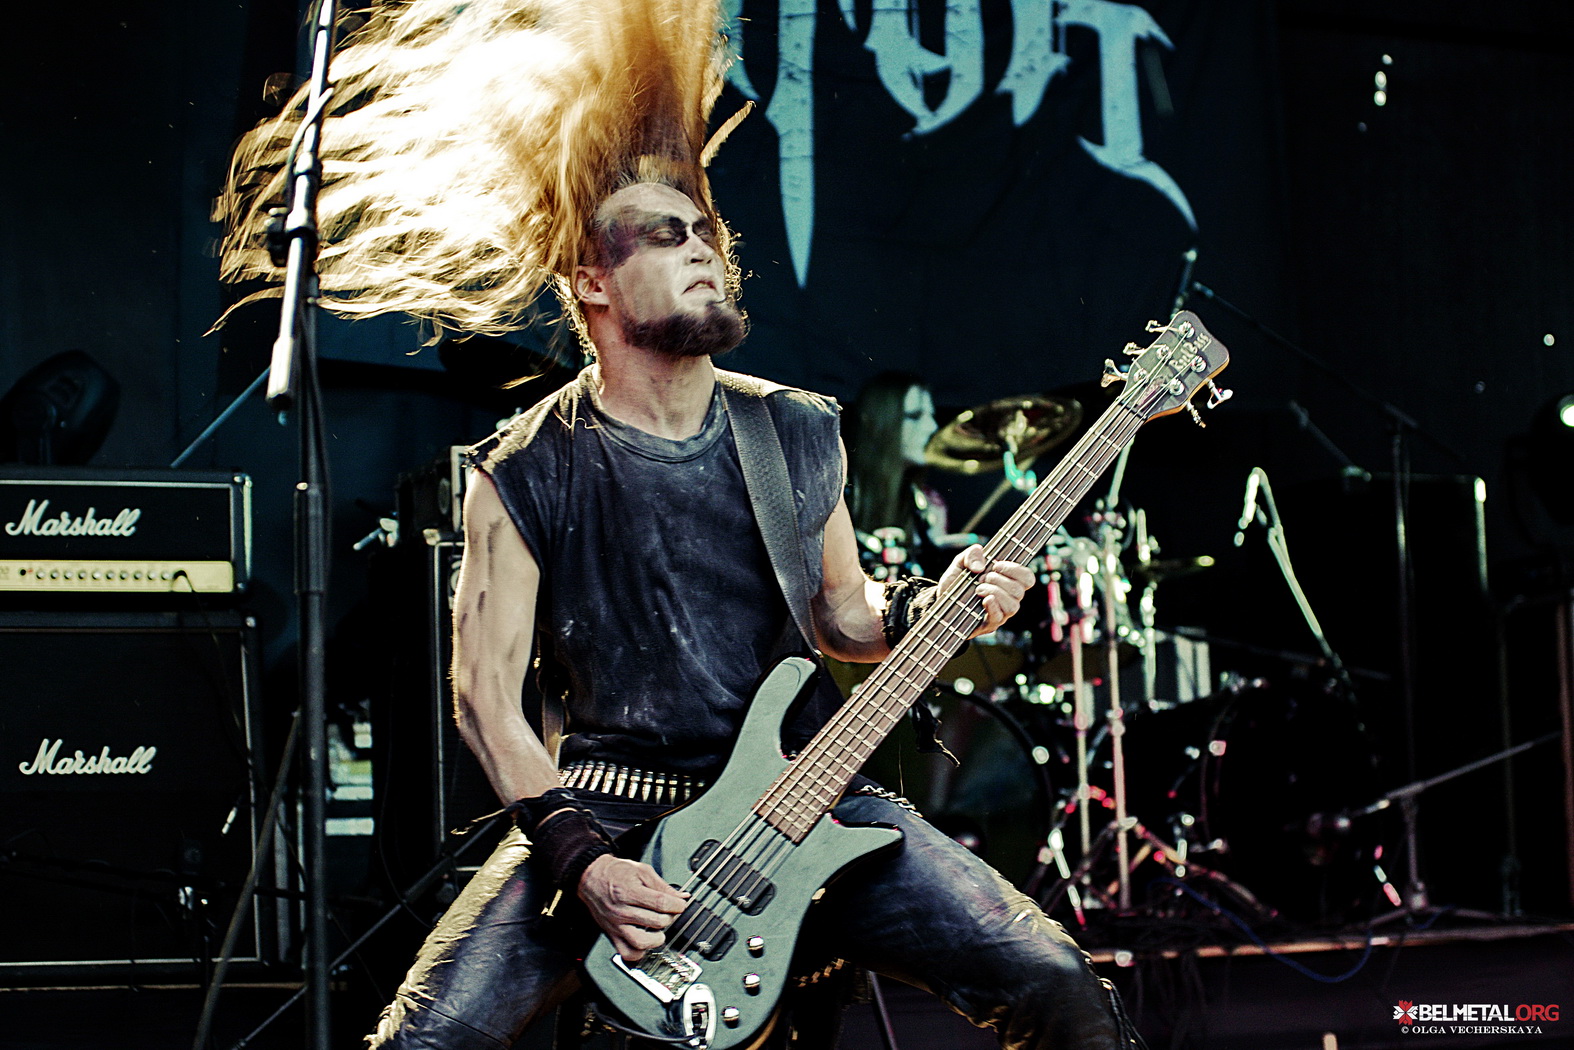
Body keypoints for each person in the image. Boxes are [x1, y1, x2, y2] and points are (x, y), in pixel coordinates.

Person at [218, 2, 1143, 1046]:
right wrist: (581, 862)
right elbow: (484, 700)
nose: (703, 248)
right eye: (664, 236)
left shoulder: (794, 431)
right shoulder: (525, 467)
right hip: (609, 811)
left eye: (705, 231)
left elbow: (842, 617)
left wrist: (936, 603)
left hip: (802, 798)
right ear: (591, 280)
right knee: (425, 1041)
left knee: (1055, 980)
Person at [846, 371, 978, 579]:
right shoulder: (839, 494)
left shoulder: (929, 504)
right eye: (915, 416)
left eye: (931, 415)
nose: (932, 427)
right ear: (875, 423)